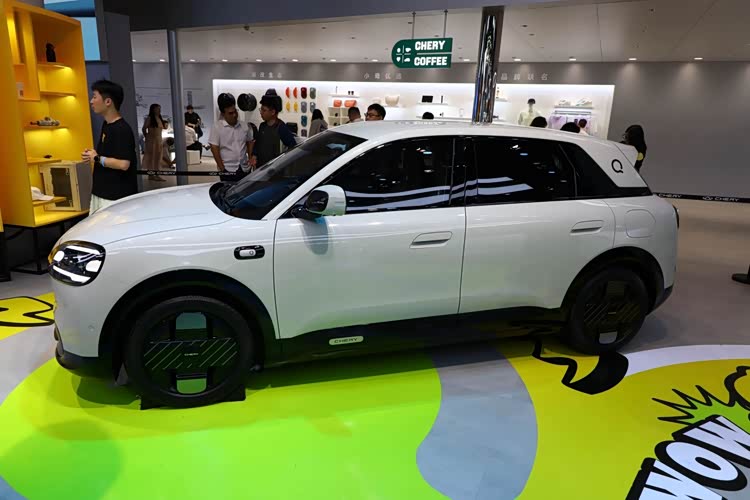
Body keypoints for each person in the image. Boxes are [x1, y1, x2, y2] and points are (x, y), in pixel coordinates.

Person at [81, 79, 137, 214]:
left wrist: (96, 158)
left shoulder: (122, 129)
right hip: (102, 192)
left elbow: (124, 164)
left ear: (108, 102)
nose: (91, 101)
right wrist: (93, 155)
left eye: (95, 97)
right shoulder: (107, 124)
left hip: (115, 197)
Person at [209, 93, 255, 182]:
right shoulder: (217, 127)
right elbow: (214, 148)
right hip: (227, 169)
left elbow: (250, 141)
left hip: (244, 167)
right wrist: (222, 168)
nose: (234, 115)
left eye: (235, 111)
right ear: (223, 114)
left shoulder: (244, 125)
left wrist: (250, 157)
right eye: (230, 113)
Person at [253, 92, 296, 168]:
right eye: (261, 109)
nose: (261, 112)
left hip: (275, 169)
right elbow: (258, 144)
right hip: (261, 168)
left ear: (273, 112)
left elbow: (292, 146)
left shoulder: (281, 128)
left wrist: (282, 162)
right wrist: (254, 155)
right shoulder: (262, 126)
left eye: (264, 110)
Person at [142, 103, 168, 182]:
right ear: (153, 110)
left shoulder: (159, 118)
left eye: (159, 109)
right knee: (151, 157)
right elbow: (144, 129)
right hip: (151, 141)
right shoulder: (149, 118)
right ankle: (152, 175)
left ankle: (156, 174)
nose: (159, 110)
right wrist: (147, 136)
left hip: (158, 140)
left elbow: (163, 128)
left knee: (157, 157)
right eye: (157, 109)